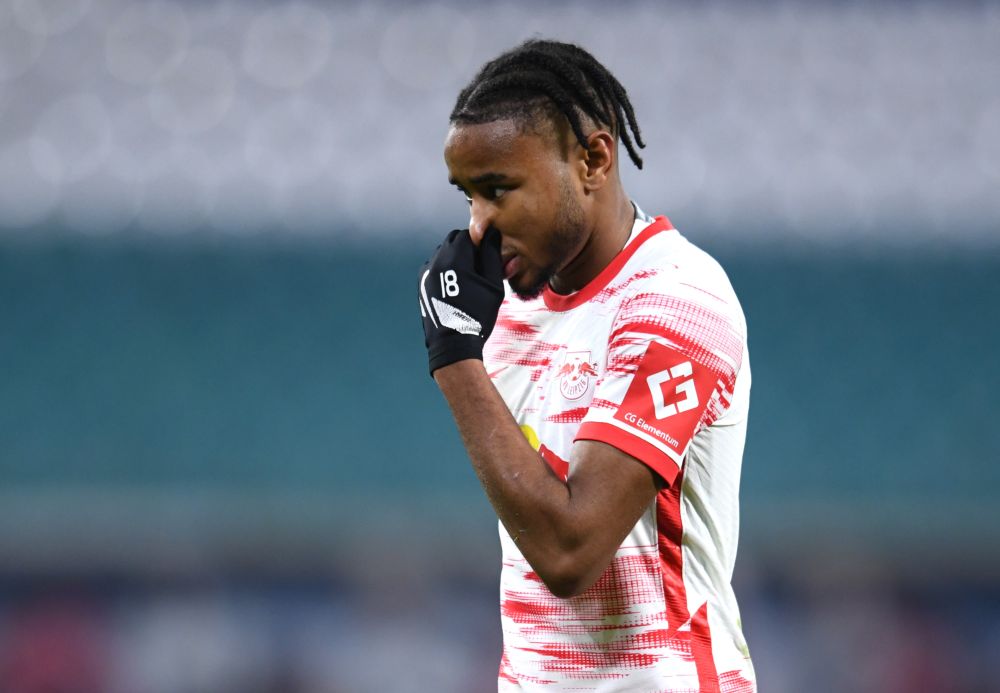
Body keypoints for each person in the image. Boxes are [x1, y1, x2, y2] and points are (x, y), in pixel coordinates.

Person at [417, 39, 756, 692]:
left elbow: (571, 551)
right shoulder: (509, 312)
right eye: (467, 196)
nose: (477, 225)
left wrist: (453, 355)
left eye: (499, 190)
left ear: (593, 159)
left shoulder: (678, 300)